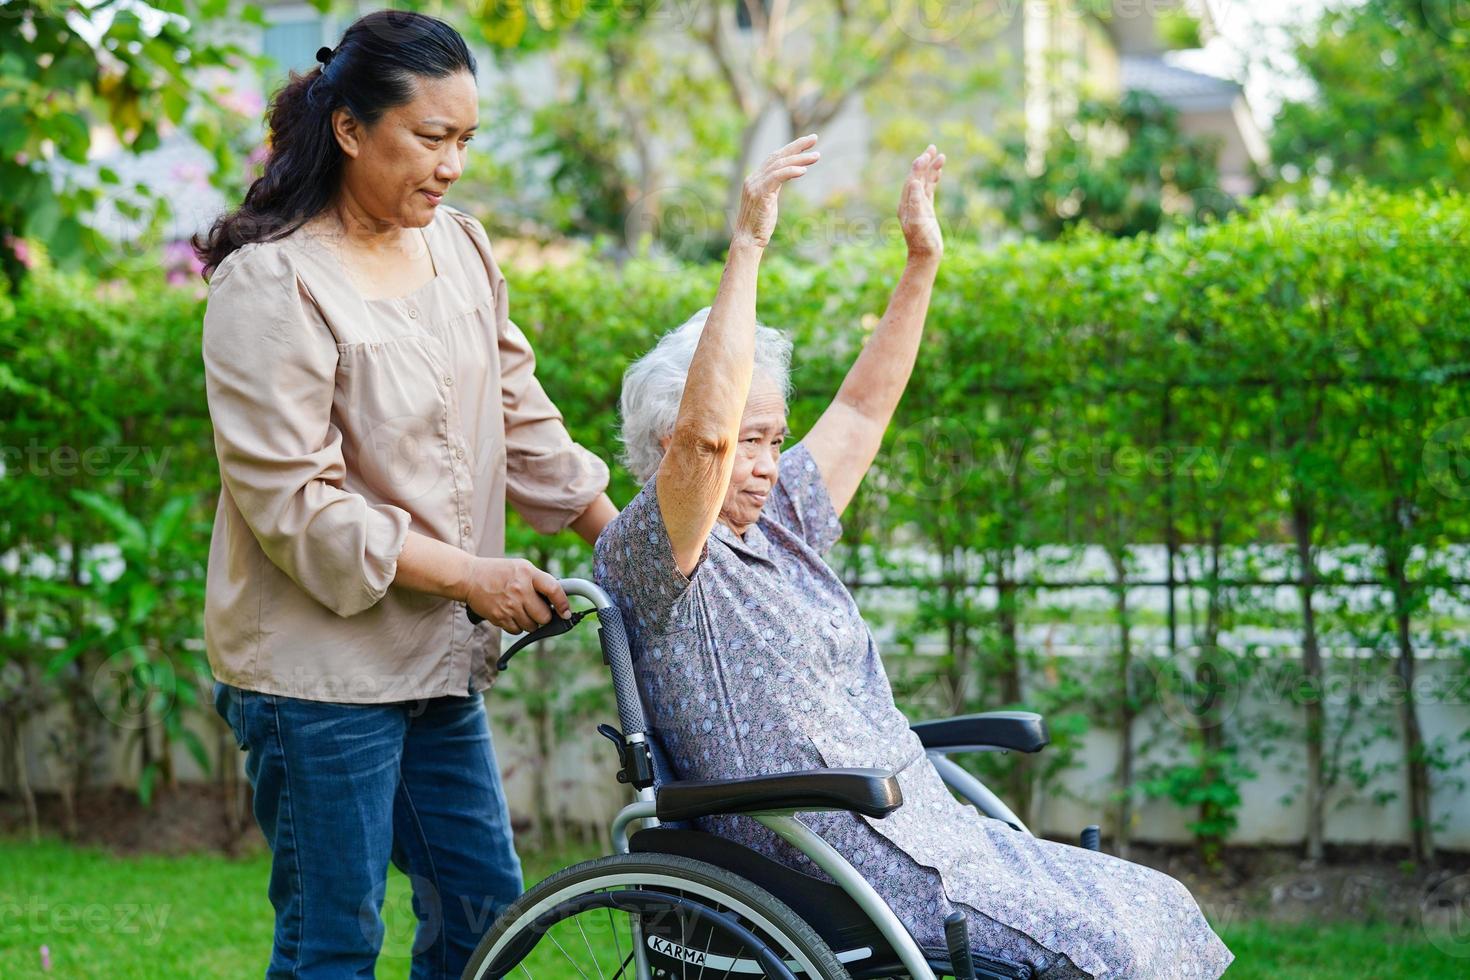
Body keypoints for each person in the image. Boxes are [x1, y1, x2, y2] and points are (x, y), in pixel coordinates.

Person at [593, 134, 1235, 978]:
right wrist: (747, 244)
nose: (763, 461)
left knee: (1155, 902)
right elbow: (709, 443)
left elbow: (860, 410)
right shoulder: (650, 552)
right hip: (833, 848)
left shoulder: (778, 513)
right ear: (671, 443)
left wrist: (921, 263)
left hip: (922, 823)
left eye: (775, 438)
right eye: (749, 440)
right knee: (1105, 949)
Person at [193, 11, 616, 978]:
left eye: (465, 140)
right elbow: (297, 504)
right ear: (349, 128)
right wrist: (470, 575)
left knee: (484, 913)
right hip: (316, 676)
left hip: (432, 656)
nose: (452, 164)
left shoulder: (459, 249)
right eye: (431, 138)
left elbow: (518, 412)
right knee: (333, 938)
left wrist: (623, 536)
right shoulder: (272, 286)